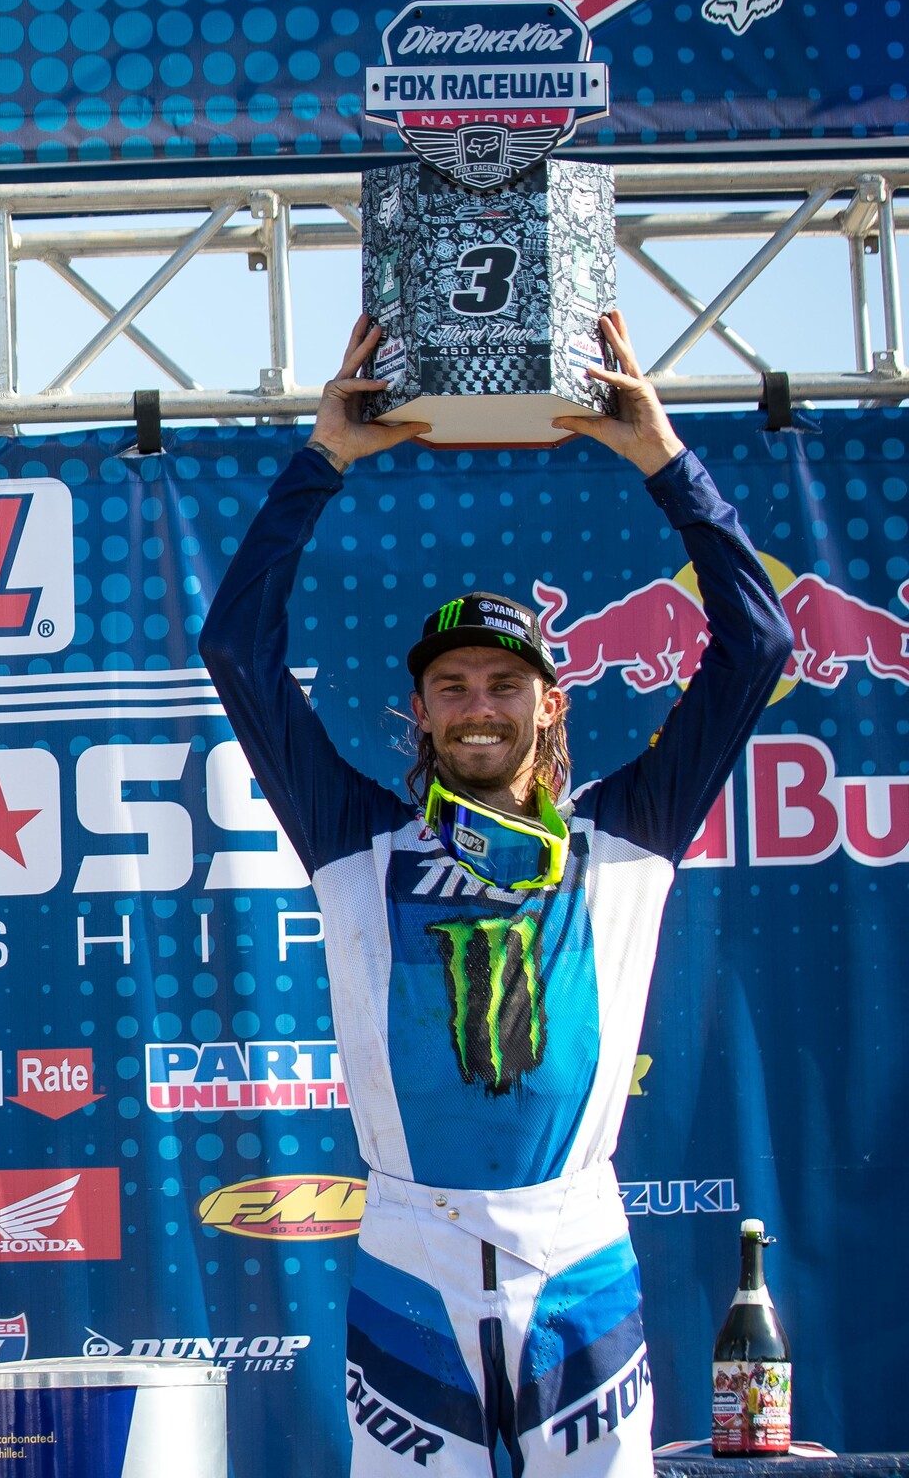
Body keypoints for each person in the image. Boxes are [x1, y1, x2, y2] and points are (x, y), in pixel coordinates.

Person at [198, 313, 790, 1477]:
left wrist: (666, 464)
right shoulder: (350, 837)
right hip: (412, 1248)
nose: (478, 704)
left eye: (505, 684)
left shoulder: (630, 833)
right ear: (419, 711)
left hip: (576, 1247)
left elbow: (758, 643)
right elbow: (238, 651)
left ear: (548, 706)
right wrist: (318, 463)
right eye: (453, 685)